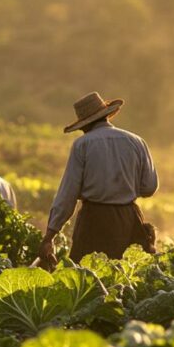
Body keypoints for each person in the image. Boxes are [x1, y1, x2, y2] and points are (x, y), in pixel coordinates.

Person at [39, 92, 158, 267]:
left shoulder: (83, 144)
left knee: (89, 277)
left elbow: (67, 194)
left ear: (85, 125)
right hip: (128, 219)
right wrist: (123, 188)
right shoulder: (136, 141)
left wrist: (49, 237)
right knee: (128, 277)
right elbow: (149, 187)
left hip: (94, 221)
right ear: (105, 116)